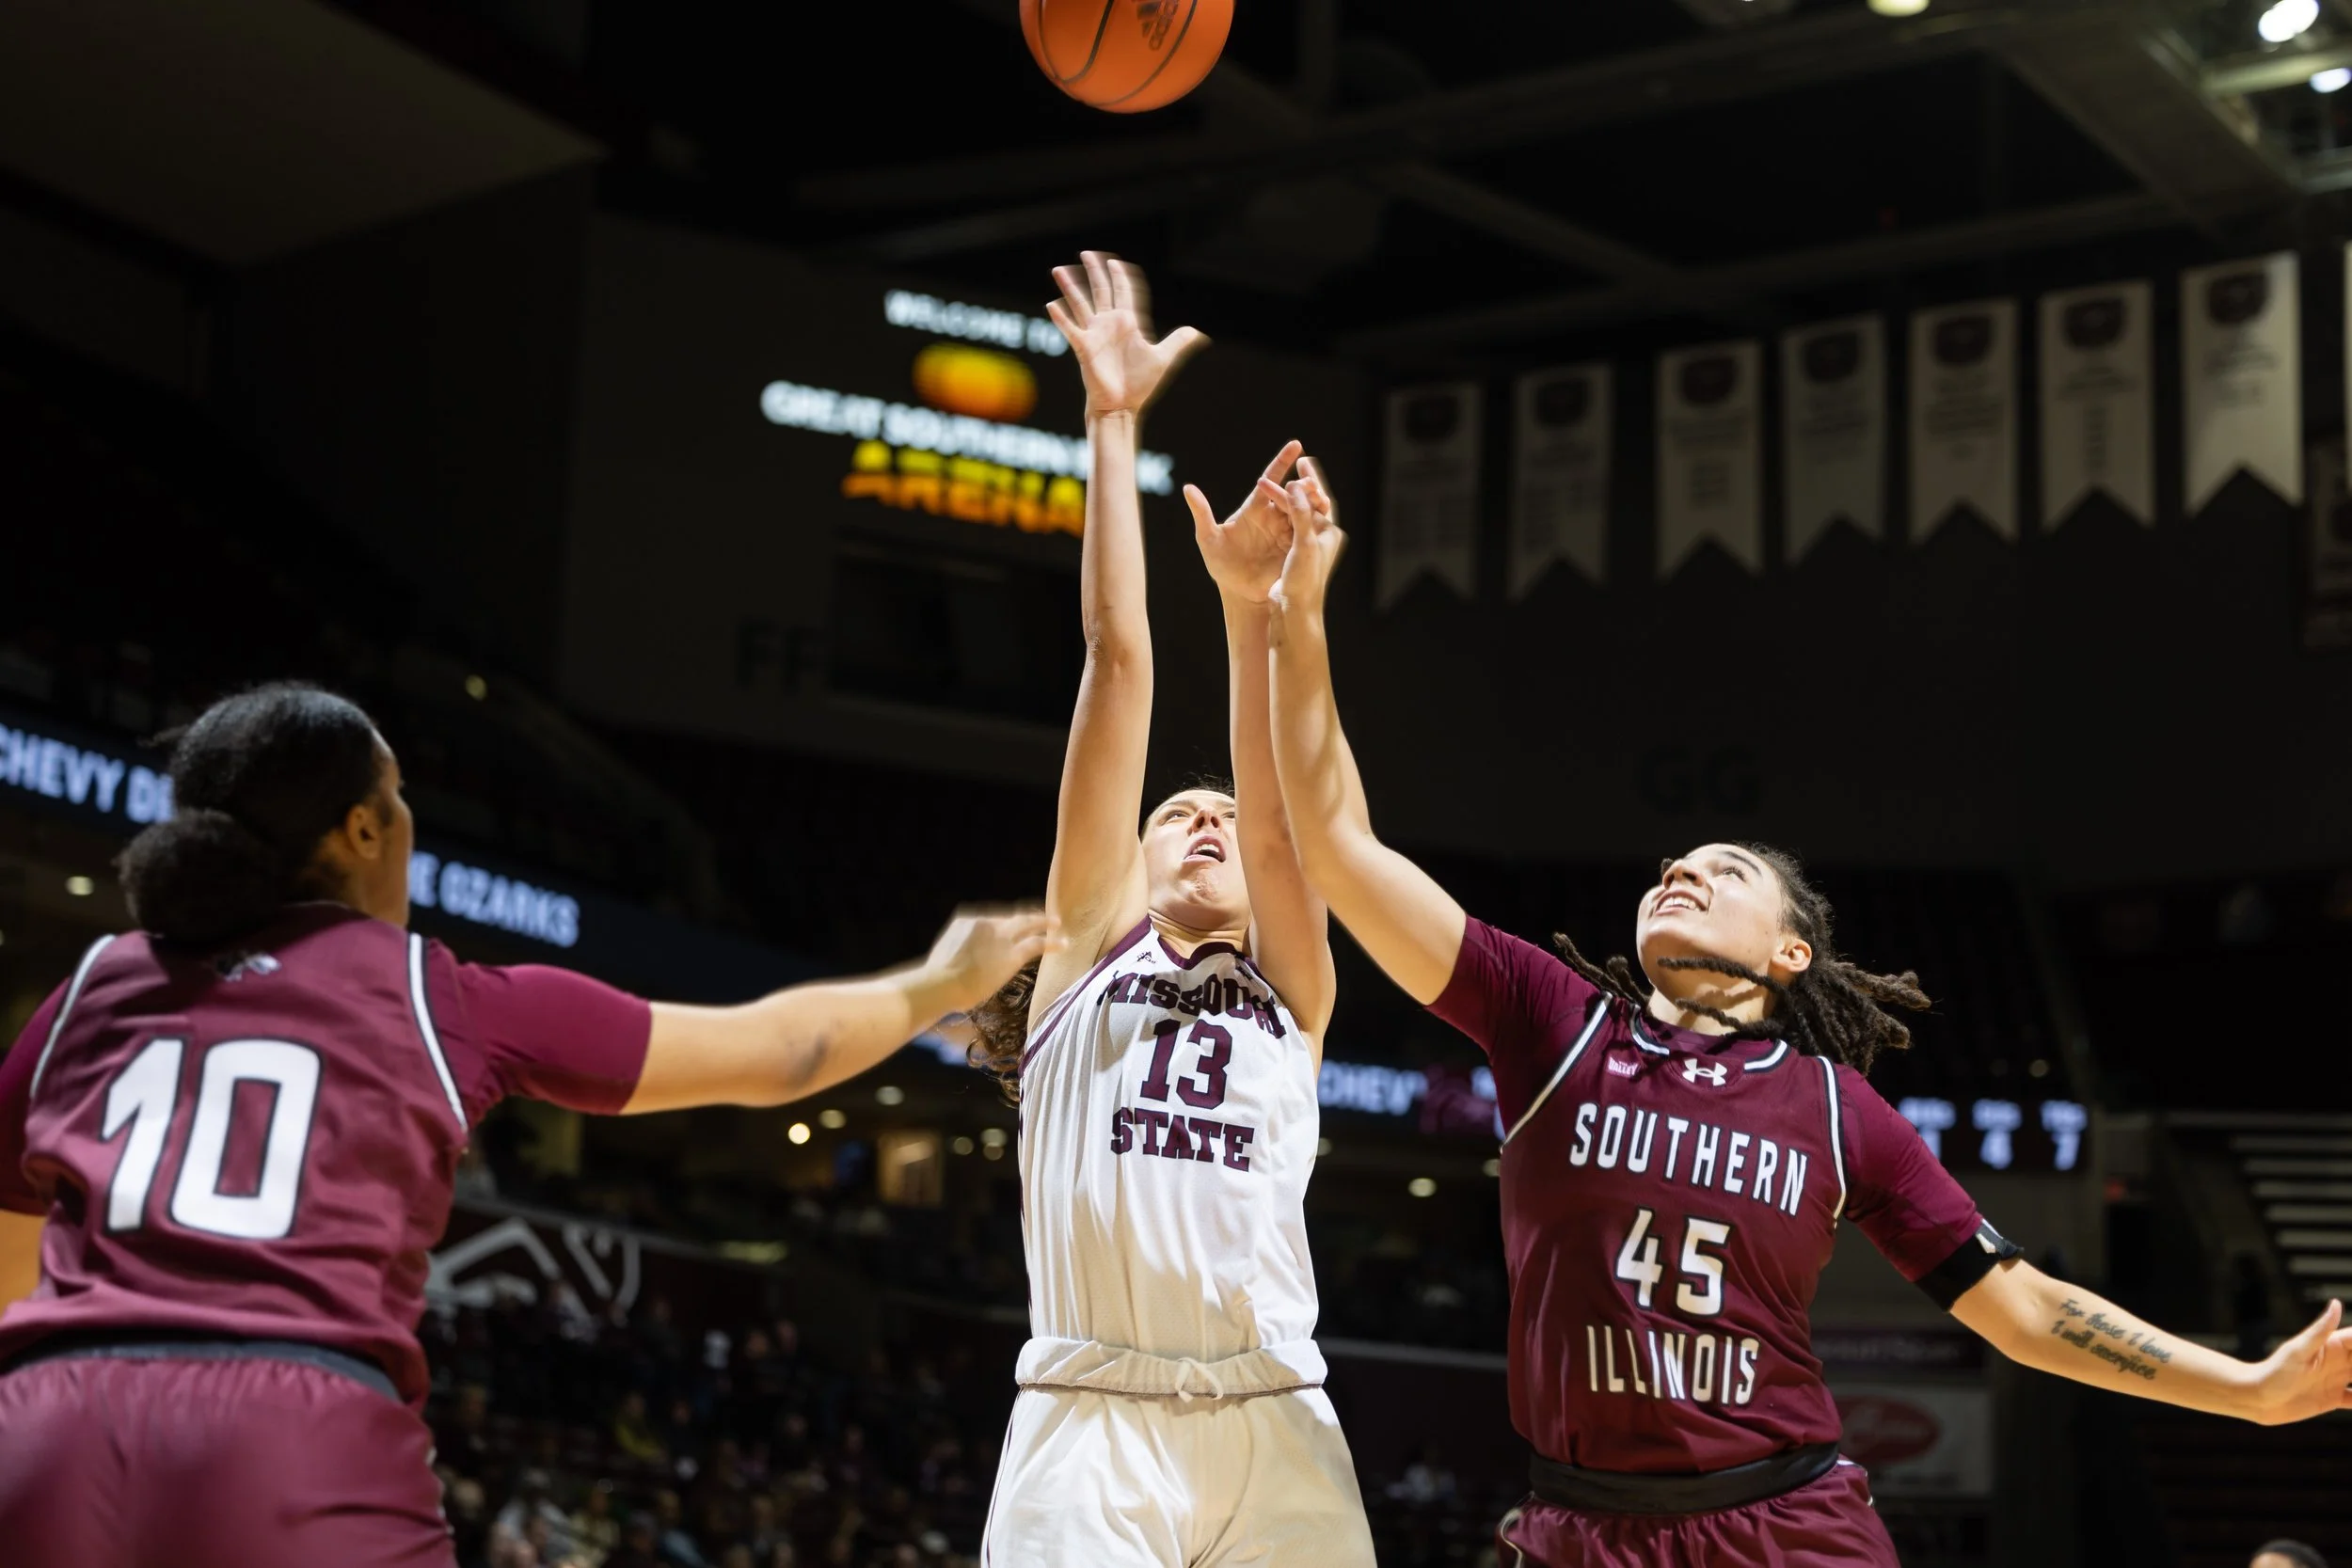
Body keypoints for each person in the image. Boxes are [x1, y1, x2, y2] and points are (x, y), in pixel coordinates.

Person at [1254, 478, 2352, 1567]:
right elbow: (1338, 840)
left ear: (1791, 951)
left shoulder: (1836, 1109)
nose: (1680, 869)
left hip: (1782, 1523)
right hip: (1581, 1525)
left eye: (1722, 869)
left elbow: (2017, 1306)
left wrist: (2247, 1391)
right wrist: (1297, 620)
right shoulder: (1553, 1020)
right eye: (1671, 866)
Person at [0, 683, 1057, 1567]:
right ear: (364, 828)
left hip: (47, 1422)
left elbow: (16, 1239)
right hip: (291, 1426)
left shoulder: (89, 987)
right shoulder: (434, 993)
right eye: (400, 798)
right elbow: (784, 1049)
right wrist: (942, 981)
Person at [967, 253, 1375, 1566]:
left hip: (1278, 1417)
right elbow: (1118, 655)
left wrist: (1254, 612)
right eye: (1169, 815)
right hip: (1089, 1415)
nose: (1202, 821)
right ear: (1123, 866)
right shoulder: (1086, 946)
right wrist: (1111, 419)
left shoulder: (1295, 991)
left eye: (1218, 821)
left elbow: (1280, 814)